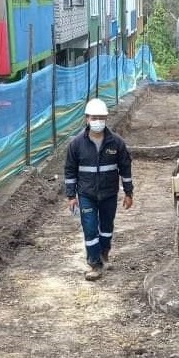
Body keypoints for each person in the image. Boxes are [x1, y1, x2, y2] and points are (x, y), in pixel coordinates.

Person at [64, 98, 134, 281]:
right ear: (87, 118)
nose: (98, 121)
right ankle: (94, 264)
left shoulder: (116, 143)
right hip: (86, 194)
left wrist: (129, 192)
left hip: (109, 193)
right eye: (94, 117)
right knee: (89, 228)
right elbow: (70, 171)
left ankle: (104, 254)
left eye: (101, 117)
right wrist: (71, 195)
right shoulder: (76, 144)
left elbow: (125, 168)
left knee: (106, 227)